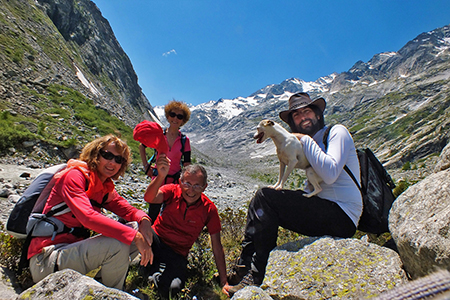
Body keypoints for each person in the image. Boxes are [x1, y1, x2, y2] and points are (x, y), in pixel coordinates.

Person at [225, 92, 363, 295]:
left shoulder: (336, 133)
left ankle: (256, 275)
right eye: (296, 115)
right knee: (261, 199)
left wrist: (306, 140)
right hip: (323, 209)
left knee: (266, 197)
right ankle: (242, 268)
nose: (303, 117)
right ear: (291, 122)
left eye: (307, 111)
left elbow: (331, 174)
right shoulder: (302, 142)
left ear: (318, 114)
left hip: (343, 215)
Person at [28, 134, 154, 290]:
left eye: (118, 160)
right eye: (107, 155)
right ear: (95, 154)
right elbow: (88, 217)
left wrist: (144, 221)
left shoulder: (103, 186)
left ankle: (102, 283)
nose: (112, 162)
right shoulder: (74, 176)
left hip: (69, 253)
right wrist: (134, 236)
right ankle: (113, 293)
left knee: (136, 228)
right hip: (46, 260)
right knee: (118, 243)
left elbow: (128, 210)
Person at [141, 158, 231, 298]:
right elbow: (149, 197)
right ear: (180, 182)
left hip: (177, 254)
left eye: (197, 186)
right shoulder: (171, 191)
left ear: (204, 187)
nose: (191, 190)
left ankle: (152, 272)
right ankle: (151, 269)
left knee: (173, 288)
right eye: (187, 184)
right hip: (156, 240)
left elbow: (217, 246)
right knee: (137, 231)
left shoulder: (209, 209)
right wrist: (161, 176)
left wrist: (224, 280)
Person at [139, 100, 192, 221]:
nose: (175, 118)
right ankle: (149, 237)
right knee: (153, 213)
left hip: (175, 181)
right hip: (158, 180)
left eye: (180, 116)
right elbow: (142, 146)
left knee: (169, 215)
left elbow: (187, 163)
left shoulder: (185, 140)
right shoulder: (159, 134)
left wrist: (187, 181)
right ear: (168, 116)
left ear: (183, 121)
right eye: (173, 114)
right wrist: (146, 166)